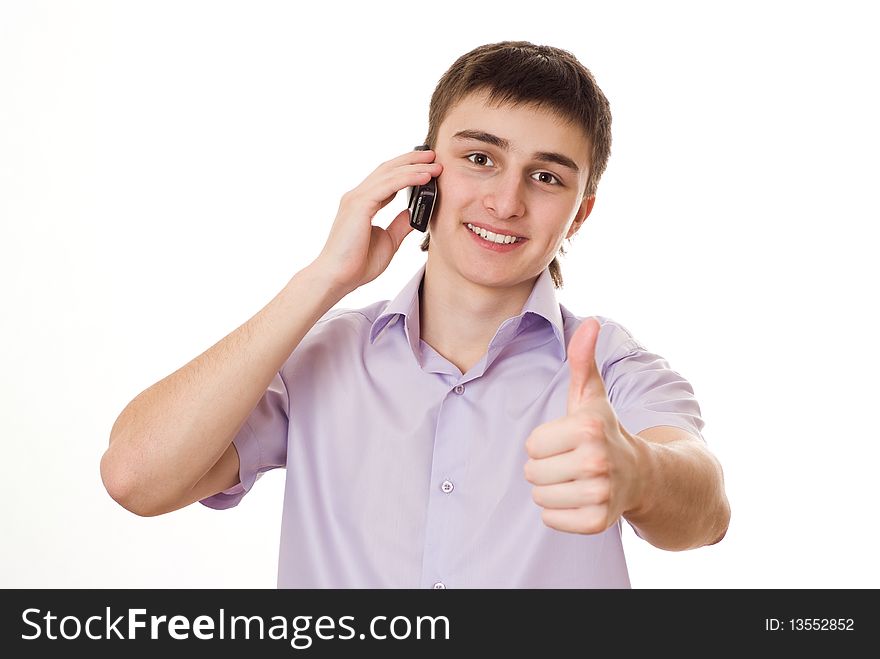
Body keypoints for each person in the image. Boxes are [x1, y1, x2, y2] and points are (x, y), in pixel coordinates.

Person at [101, 40, 730, 588]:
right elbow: (135, 478)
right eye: (480, 158)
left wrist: (638, 473)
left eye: (545, 178)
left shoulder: (610, 366)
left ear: (579, 214)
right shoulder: (322, 358)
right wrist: (324, 278)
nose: (505, 201)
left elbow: (707, 511)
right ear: (424, 173)